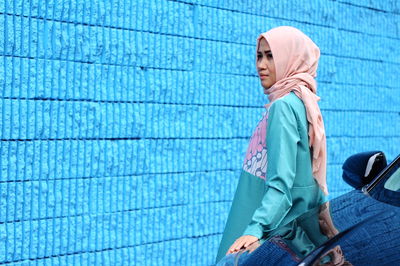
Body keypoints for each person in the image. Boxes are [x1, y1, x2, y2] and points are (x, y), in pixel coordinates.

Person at [215, 26, 329, 263]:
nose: (261, 65)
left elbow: (282, 183)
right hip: (296, 233)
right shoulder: (303, 102)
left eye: (270, 56)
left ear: (290, 57)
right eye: (259, 55)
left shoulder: (283, 107)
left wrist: (254, 229)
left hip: (272, 228)